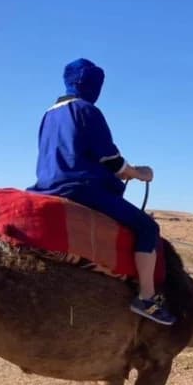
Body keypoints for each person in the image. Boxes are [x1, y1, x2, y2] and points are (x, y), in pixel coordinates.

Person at [29, 58, 174, 325]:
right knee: (147, 229)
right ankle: (147, 297)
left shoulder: (48, 114)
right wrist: (139, 173)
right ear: (92, 85)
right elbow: (112, 161)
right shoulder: (86, 110)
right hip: (81, 188)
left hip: (47, 186)